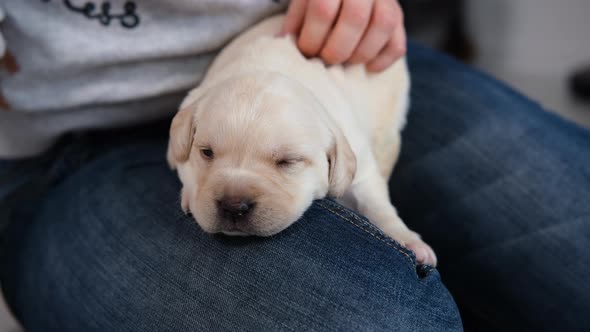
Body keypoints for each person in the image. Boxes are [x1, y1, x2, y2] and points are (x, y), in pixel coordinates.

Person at [0, 0, 587, 331]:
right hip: (55, 136)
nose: (234, 198)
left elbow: (361, 175)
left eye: (286, 167)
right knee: (382, 322)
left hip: (327, 66)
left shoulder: (340, 146)